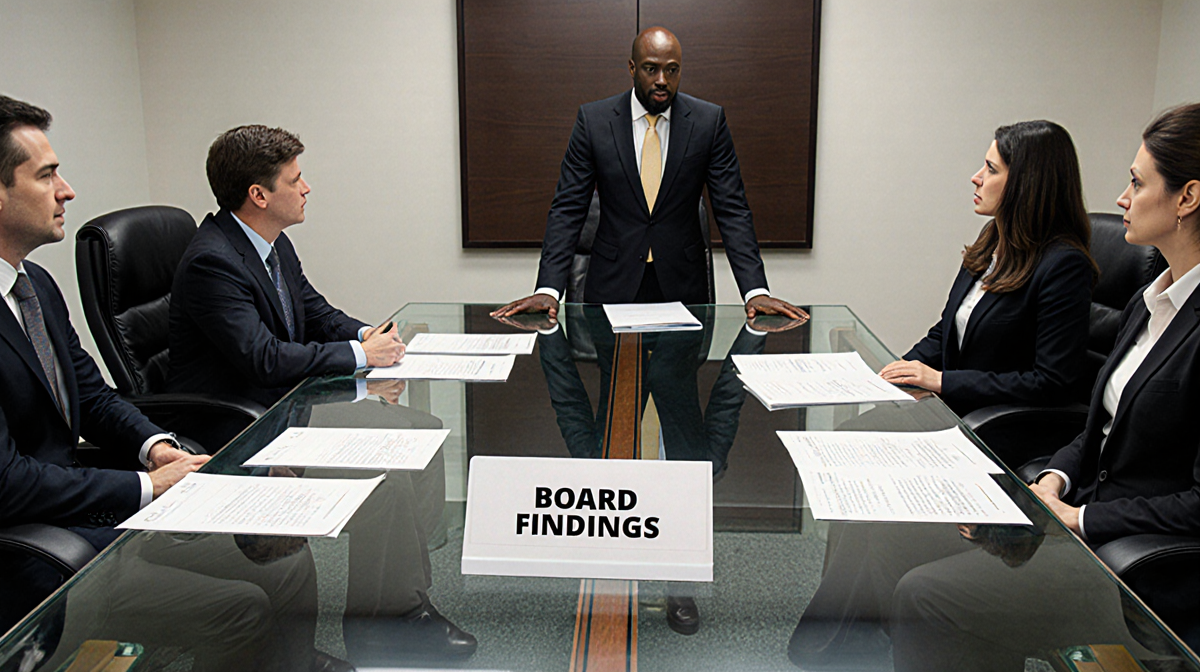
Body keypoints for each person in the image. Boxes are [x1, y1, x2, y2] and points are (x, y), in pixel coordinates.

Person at [0, 94, 209, 630]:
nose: (66, 191)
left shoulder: (35, 285)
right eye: (47, 176)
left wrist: (156, 448)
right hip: (32, 543)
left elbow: (90, 395)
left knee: (275, 555)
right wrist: (145, 488)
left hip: (77, 498)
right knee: (242, 605)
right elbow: (6, 482)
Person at [490, 26, 806, 323]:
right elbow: (568, 209)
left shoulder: (708, 122)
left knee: (678, 383)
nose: (662, 80)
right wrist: (548, 289)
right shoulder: (595, 121)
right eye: (651, 68)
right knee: (617, 382)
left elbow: (732, 209)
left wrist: (755, 290)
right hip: (611, 287)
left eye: (672, 70)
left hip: (684, 289)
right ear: (632, 68)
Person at [168, 125, 405, 449]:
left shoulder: (273, 242)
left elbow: (316, 313)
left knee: (403, 439)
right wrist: (362, 355)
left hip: (282, 410)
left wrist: (366, 335)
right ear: (259, 195)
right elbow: (265, 359)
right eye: (294, 181)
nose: (306, 189)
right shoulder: (211, 264)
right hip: (233, 429)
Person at [1032, 103, 1200, 548]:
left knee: (924, 592)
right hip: (1084, 510)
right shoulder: (1146, 302)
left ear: (1188, 197)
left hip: (1132, 551)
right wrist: (1055, 477)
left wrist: (1082, 518)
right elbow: (1100, 428)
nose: (1123, 198)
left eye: (1137, 182)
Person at [880, 120, 1097, 421]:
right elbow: (946, 332)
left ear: (1027, 182)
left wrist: (941, 381)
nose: (976, 178)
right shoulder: (992, 237)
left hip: (997, 427)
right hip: (949, 411)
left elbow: (1051, 382)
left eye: (991, 169)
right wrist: (898, 372)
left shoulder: (1064, 266)